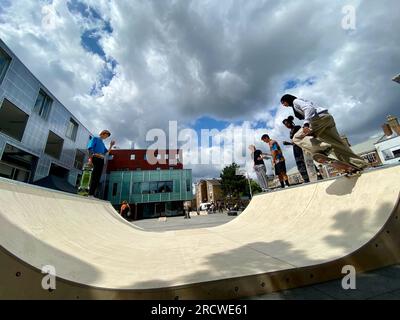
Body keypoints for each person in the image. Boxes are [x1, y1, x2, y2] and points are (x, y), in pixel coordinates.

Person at [280, 94, 368, 172]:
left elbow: (308, 108)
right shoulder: (300, 101)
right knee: (337, 144)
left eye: (283, 103)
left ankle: (324, 149)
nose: (284, 105)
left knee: (297, 138)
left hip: (318, 119)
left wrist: (306, 124)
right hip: (327, 119)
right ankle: (358, 164)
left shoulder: (296, 101)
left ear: (287, 100)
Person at [282, 116, 312, 183]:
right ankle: (306, 179)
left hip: (301, 146)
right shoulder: (290, 132)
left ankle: (316, 175)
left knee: (307, 161)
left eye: (287, 124)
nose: (286, 126)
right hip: (296, 149)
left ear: (290, 122)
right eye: (285, 125)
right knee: (300, 164)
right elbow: (294, 142)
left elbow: (303, 136)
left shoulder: (297, 127)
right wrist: (288, 143)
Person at [87, 130, 116, 198]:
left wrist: (111, 146)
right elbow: (90, 149)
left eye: (107, 136)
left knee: (98, 177)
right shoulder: (95, 139)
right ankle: (89, 194)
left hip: (101, 160)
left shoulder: (102, 144)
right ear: (102, 133)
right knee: (94, 176)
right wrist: (90, 159)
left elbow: (106, 152)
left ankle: (92, 194)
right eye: (106, 135)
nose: (106, 137)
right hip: (95, 158)